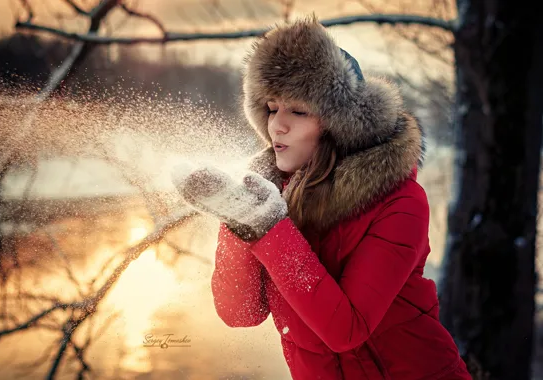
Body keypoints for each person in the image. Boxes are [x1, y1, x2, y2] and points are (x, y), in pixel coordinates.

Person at [171, 15, 472, 380]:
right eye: (272, 107)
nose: (277, 125)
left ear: (337, 123)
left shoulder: (400, 201)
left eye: (298, 111)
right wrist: (238, 219)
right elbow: (241, 314)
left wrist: (268, 227)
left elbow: (346, 329)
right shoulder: (272, 197)